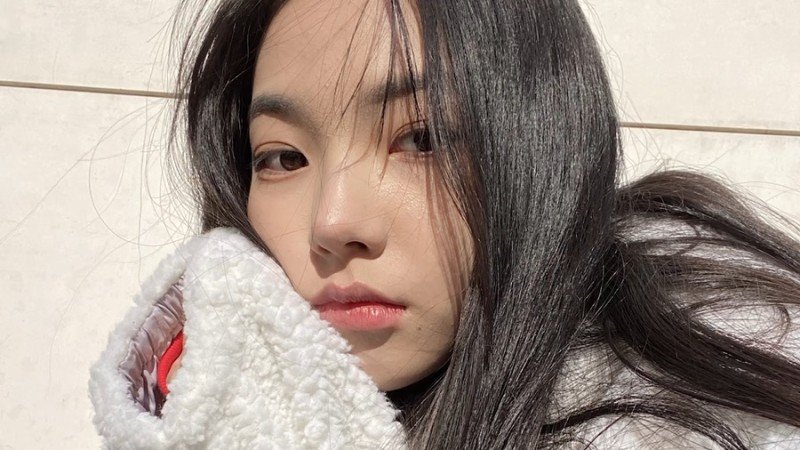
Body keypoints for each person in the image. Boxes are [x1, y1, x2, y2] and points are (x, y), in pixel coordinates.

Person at [90, 0, 800, 448]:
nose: (333, 222)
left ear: (544, 148)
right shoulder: (192, 405)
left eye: (421, 140)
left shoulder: (698, 421)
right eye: (283, 157)